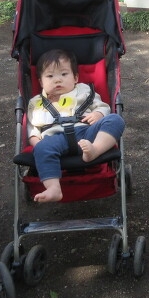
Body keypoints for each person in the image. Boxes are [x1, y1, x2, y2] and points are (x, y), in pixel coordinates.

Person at [27, 49, 125, 203]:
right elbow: (32, 129)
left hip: (87, 133)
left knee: (115, 120)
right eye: (50, 76)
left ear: (76, 78)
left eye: (64, 74)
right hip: (55, 139)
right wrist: (38, 144)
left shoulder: (84, 91)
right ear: (41, 82)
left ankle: (95, 150)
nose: (57, 80)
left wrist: (98, 114)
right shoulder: (36, 103)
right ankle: (53, 188)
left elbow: (103, 107)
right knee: (41, 148)